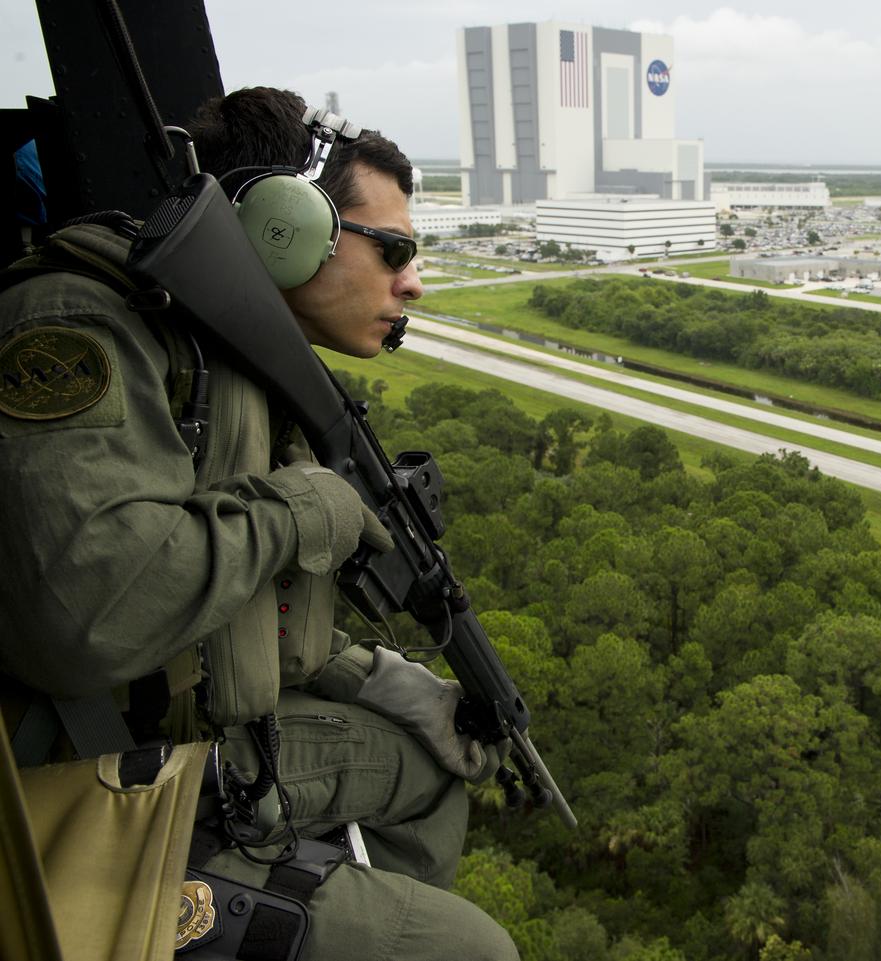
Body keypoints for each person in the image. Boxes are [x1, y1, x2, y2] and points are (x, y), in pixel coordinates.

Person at [0, 86, 519, 961]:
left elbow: (231, 618)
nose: (413, 282)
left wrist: (374, 676)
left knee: (433, 769)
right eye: (391, 249)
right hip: (68, 785)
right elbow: (88, 618)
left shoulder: (229, 363)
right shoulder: (80, 324)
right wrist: (308, 506)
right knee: (472, 950)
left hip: (186, 739)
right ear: (287, 226)